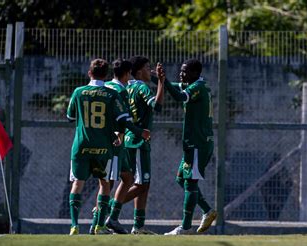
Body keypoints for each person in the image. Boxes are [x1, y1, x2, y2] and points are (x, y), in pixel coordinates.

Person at [66, 58, 149, 235]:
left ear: (89, 73)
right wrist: (138, 131)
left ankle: (74, 225)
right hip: (104, 146)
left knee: (77, 183)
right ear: (106, 75)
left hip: (81, 145)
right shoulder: (113, 94)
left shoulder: (79, 91)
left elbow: (70, 116)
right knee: (105, 184)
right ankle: (100, 224)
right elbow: (124, 119)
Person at [158, 59, 217, 235]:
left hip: (198, 144)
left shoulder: (196, 88)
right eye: (181, 71)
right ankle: (207, 210)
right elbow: (173, 85)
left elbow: (178, 96)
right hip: (192, 144)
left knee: (190, 183)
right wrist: (156, 78)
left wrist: (164, 80)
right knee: (181, 179)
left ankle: (185, 227)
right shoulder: (195, 85)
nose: (181, 74)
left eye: (185, 71)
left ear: (195, 73)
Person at [107, 56, 165, 235]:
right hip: (139, 141)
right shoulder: (141, 86)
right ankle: (108, 211)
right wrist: (161, 83)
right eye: (148, 68)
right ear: (139, 71)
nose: (151, 71)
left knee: (142, 183)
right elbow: (157, 106)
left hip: (129, 139)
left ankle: (138, 226)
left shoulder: (128, 86)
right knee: (141, 184)